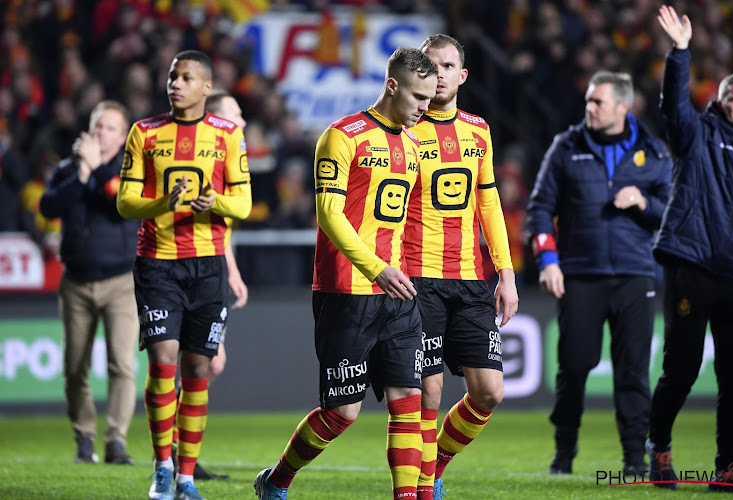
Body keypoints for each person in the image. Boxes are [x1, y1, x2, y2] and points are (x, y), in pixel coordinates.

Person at [253, 47, 437, 500]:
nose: (424, 109)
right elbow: (328, 215)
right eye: (417, 97)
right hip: (347, 290)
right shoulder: (342, 137)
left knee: (408, 406)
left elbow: (406, 224)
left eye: (430, 100)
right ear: (392, 86)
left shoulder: (415, 146)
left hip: (398, 294)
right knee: (341, 414)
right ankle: (277, 480)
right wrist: (377, 269)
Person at [117, 50, 252, 500]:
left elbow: (243, 204)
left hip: (208, 264)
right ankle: (162, 467)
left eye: (186, 77)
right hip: (158, 262)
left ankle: (187, 476)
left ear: (206, 87)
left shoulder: (228, 135)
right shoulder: (145, 132)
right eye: (173, 76)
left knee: (198, 368)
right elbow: (125, 202)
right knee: (163, 360)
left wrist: (214, 202)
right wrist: (162, 203)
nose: (175, 83)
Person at [526, 70, 671, 476]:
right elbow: (539, 208)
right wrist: (548, 260)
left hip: (634, 275)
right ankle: (564, 454)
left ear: (624, 107)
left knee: (633, 372)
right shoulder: (565, 146)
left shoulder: (655, 152)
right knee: (573, 366)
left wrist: (644, 201)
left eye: (598, 102)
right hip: (580, 275)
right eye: (589, 100)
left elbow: (673, 214)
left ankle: (633, 459)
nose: (589, 108)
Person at [402, 34, 519, 500]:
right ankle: (423, 488)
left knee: (489, 392)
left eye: (448, 66)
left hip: (471, 279)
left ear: (462, 75)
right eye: (431, 67)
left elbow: (489, 203)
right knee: (428, 392)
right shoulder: (403, 129)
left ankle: (435, 466)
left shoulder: (478, 130)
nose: (440, 75)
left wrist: (506, 274)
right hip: (417, 278)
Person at [648, 6, 733, 492]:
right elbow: (674, 106)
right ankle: (660, 449)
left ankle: (726, 468)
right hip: (691, 265)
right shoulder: (698, 134)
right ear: (721, 102)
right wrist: (681, 53)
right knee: (682, 370)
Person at [39, 100, 140, 465]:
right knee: (75, 367)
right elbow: (48, 208)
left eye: (111, 127)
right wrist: (81, 175)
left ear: (124, 136)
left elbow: (119, 207)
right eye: (98, 125)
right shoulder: (68, 169)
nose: (101, 133)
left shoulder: (132, 171)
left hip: (121, 281)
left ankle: (116, 441)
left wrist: (95, 172)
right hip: (76, 282)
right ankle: (84, 438)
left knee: (121, 364)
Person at [165, 88, 250, 482]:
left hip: (212, 267)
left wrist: (231, 270)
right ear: (216, 118)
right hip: (181, 273)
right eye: (236, 115)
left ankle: (182, 453)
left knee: (210, 361)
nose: (244, 122)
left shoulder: (230, 156)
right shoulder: (205, 156)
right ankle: (173, 455)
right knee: (203, 361)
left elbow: (221, 228)